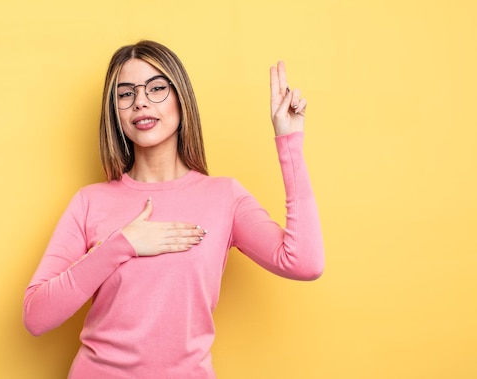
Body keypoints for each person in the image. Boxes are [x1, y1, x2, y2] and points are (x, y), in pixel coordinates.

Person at [23, 40, 324, 379]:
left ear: (181, 99)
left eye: (156, 88)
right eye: (125, 94)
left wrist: (290, 141)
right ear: (115, 112)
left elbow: (305, 263)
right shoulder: (90, 202)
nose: (140, 102)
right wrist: (121, 245)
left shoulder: (224, 197)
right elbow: (36, 316)